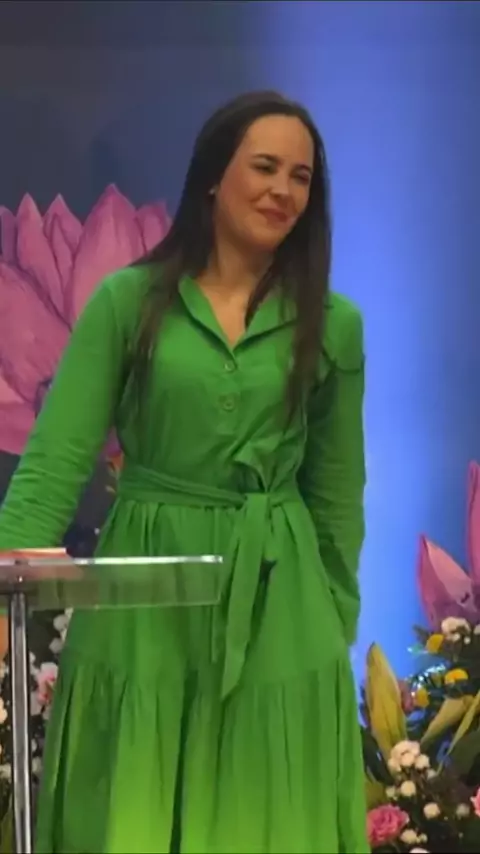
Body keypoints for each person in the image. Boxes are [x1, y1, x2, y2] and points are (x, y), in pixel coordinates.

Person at [0, 91, 368, 853]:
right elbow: (54, 464)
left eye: (300, 177)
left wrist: (329, 622)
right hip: (142, 605)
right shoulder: (126, 302)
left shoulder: (334, 324)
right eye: (264, 167)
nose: (282, 190)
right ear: (212, 177)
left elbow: (337, 492)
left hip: (281, 612)